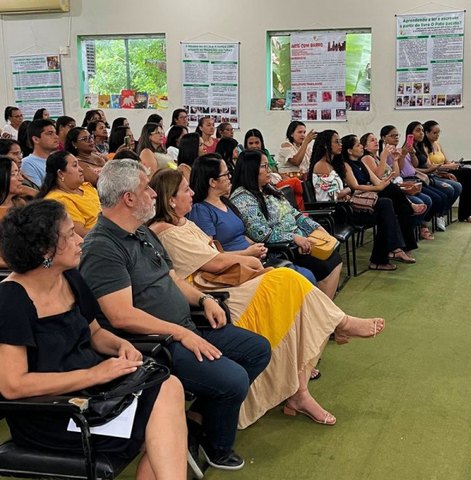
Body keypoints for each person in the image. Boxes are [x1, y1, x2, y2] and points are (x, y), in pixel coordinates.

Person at [148, 169, 384, 427]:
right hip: (215, 291)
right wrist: (248, 255)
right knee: (289, 281)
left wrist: (249, 255)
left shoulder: (186, 220)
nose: (192, 192)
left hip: (230, 274)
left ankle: (301, 391)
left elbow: (220, 248)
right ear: (170, 199)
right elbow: (213, 262)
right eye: (185, 190)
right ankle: (341, 325)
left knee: (296, 292)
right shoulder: (166, 230)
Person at [79, 159, 271, 470]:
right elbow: (121, 317)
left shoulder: (141, 231)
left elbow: (171, 278)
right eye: (147, 189)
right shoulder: (102, 246)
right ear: (129, 198)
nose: (154, 195)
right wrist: (180, 333)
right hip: (153, 345)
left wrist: (205, 298)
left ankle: (197, 419)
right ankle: (215, 446)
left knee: (257, 350)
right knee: (233, 380)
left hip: (184, 327)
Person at [0, 200, 187, 480]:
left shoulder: (70, 277)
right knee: (163, 424)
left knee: (168, 390)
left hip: (91, 395)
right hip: (53, 413)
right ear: (44, 250)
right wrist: (94, 374)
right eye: (69, 234)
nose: (79, 239)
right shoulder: (11, 300)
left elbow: (96, 333)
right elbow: (13, 386)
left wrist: (122, 346)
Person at [228, 151, 342, 298]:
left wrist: (316, 228)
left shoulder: (269, 189)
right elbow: (261, 234)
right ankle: (323, 313)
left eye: (268, 165)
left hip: (299, 242)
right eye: (264, 166)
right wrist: (294, 238)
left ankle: (325, 312)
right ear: (251, 169)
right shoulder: (243, 198)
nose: (269, 170)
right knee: (327, 265)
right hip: (280, 249)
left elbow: (295, 214)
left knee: (334, 257)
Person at [310, 131, 414, 270]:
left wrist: (349, 191)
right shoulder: (321, 165)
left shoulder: (335, 164)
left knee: (386, 205)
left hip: (345, 205)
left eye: (340, 141)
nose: (340, 144)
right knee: (385, 206)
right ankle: (388, 253)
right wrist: (349, 191)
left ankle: (387, 254)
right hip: (334, 211)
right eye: (336, 141)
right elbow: (335, 195)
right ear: (325, 145)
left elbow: (344, 190)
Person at [422, 120, 471, 223]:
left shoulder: (437, 144)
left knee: (468, 178)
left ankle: (468, 212)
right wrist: (448, 166)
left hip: (446, 170)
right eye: (434, 133)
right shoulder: (423, 146)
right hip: (437, 173)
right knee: (468, 174)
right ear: (427, 133)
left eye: (438, 133)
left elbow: (446, 161)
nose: (437, 135)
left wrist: (453, 164)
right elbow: (430, 166)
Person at [38, 151, 101, 237]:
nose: (81, 169)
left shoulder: (86, 187)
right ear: (60, 173)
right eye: (75, 165)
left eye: (79, 164)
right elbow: (79, 233)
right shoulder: (58, 200)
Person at [244, 128, 304, 210]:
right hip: (266, 185)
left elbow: (274, 169)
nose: (254, 146)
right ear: (246, 145)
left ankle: (300, 212)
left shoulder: (265, 153)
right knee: (296, 183)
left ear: (261, 143)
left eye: (257, 143)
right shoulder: (245, 159)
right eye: (251, 143)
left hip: (273, 181)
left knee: (297, 193)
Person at [21, 119, 59, 188]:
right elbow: (38, 192)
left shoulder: (58, 159)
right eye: (50, 133)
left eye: (55, 133)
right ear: (36, 139)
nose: (56, 137)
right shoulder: (28, 163)